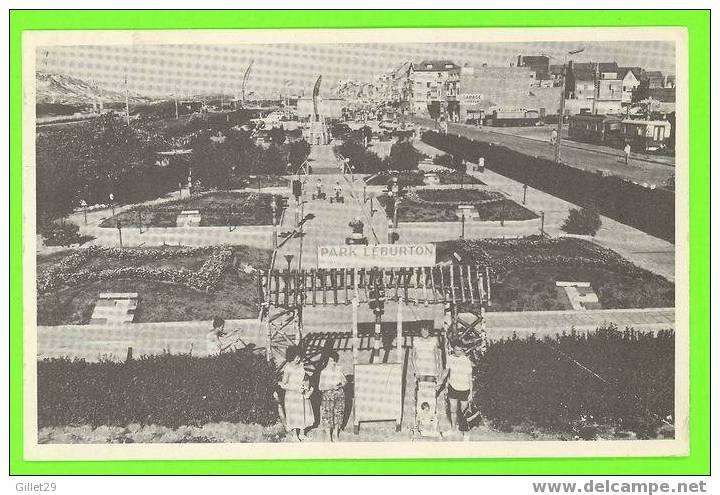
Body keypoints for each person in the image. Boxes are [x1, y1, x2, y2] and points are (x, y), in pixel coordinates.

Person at [279, 346, 314, 441]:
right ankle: (295, 435)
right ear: (291, 356)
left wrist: (305, 384)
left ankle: (302, 433)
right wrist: (295, 388)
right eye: (296, 357)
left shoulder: (302, 365)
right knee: (293, 414)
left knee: (303, 412)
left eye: (299, 357)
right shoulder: (288, 367)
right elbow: (284, 383)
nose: (298, 359)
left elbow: (305, 377)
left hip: (302, 393)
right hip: (292, 394)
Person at [439, 344, 474, 432]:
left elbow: (470, 378)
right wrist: (440, 382)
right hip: (453, 387)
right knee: (453, 409)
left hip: (464, 389)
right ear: (453, 349)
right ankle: (453, 428)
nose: (458, 352)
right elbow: (446, 371)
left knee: (463, 412)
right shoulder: (450, 358)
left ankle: (462, 428)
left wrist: (470, 392)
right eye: (456, 350)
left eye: (460, 350)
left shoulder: (466, 360)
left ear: (462, 350)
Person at [318, 351, 347, 442]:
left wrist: (342, 384)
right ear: (326, 361)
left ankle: (335, 434)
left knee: (339, 414)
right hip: (328, 396)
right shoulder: (324, 372)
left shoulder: (339, 370)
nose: (333, 363)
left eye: (334, 361)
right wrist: (331, 386)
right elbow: (320, 387)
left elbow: (345, 381)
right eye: (330, 361)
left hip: (339, 395)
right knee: (327, 415)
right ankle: (328, 436)